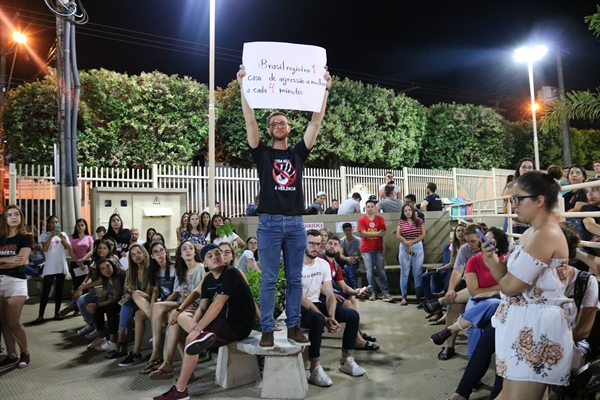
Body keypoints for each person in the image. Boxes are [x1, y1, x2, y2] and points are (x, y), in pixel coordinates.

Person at [236, 63, 331, 350]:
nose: (279, 126)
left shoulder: (297, 154)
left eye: (283, 123)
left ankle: (292, 327)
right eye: (274, 123)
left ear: (289, 128)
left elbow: (315, 122)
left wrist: (324, 89)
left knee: (293, 280)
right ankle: (267, 328)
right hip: (268, 224)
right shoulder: (262, 153)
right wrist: (243, 85)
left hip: (294, 223)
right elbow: (250, 120)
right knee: (267, 280)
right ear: (269, 130)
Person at [483, 170, 573, 399]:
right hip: (523, 325)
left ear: (539, 200)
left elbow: (510, 285)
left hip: (536, 328)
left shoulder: (547, 233)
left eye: (517, 199)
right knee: (507, 394)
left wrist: (501, 273)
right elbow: (506, 279)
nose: (513, 204)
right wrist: (490, 257)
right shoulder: (531, 232)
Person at [152, 243, 255, 400]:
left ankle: (180, 390)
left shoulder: (231, 273)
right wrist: (194, 325)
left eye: (218, 253)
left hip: (237, 324)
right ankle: (202, 339)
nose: (215, 257)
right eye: (210, 255)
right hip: (222, 320)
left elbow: (218, 303)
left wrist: (198, 330)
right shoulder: (208, 280)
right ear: (205, 264)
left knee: (191, 338)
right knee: (187, 328)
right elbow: (202, 307)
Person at [299, 230, 366, 387]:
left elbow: (330, 294)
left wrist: (332, 316)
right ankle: (315, 368)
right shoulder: (296, 265)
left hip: (317, 304)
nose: (315, 247)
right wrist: (325, 318)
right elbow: (302, 299)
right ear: (304, 244)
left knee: (352, 315)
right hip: (299, 309)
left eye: (318, 244)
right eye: (311, 243)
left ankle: (346, 360)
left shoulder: (323, 264)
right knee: (317, 318)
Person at [148, 240, 205, 380]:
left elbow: (202, 295)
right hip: (187, 306)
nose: (188, 251)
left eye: (191, 248)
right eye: (184, 249)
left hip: (199, 307)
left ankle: (169, 362)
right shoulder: (182, 271)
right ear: (179, 254)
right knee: (173, 320)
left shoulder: (201, 268)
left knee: (175, 319)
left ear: (194, 251)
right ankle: (170, 362)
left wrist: (179, 310)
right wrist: (179, 310)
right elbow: (183, 295)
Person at [0, 205, 33, 371]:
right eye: (10, 214)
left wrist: (4, 261)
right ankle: (11, 355)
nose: (14, 217)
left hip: (16, 282)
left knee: (13, 322)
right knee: (4, 321)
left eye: (17, 214)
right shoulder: (1, 238)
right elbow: (16, 259)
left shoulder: (25, 238)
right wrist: (10, 260)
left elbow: (21, 261)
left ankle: (25, 352)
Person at [106, 243, 152, 359]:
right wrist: (129, 294)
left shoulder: (151, 269)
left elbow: (149, 293)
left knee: (129, 302)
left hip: (148, 300)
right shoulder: (130, 271)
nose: (137, 256)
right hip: (134, 301)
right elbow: (127, 287)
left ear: (144, 254)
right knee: (126, 303)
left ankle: (121, 340)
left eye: (139, 253)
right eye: (133, 255)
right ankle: (122, 337)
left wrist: (134, 294)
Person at [32, 215, 71, 324]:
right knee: (46, 291)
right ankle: (40, 315)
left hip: (60, 265)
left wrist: (63, 239)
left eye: (57, 222)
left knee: (59, 291)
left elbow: (69, 248)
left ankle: (57, 313)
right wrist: (51, 237)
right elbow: (44, 249)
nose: (55, 224)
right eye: (52, 222)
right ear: (48, 224)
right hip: (49, 266)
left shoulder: (63, 234)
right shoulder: (44, 235)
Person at [86, 257, 126, 352]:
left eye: (108, 266)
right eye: (102, 269)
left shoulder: (118, 277)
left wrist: (98, 304)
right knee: (99, 308)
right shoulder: (106, 279)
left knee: (110, 308)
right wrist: (95, 304)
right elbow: (104, 296)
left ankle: (113, 341)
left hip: (126, 301)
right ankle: (101, 336)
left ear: (112, 266)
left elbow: (116, 298)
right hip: (117, 301)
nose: (106, 270)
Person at [57, 219, 94, 317]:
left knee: (85, 286)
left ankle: (80, 306)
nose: (80, 227)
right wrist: (78, 261)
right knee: (77, 286)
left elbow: (91, 251)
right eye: (78, 225)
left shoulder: (89, 237)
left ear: (85, 226)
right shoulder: (72, 238)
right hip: (75, 263)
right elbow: (71, 251)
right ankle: (76, 308)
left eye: (82, 225)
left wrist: (83, 259)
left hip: (86, 263)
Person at [358, 199, 391, 302]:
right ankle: (373, 292)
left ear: (375, 208)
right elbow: (363, 233)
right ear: (365, 208)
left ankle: (385, 292)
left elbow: (382, 233)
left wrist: (372, 233)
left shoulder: (380, 219)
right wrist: (376, 234)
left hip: (378, 249)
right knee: (369, 272)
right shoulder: (362, 219)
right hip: (366, 250)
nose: (370, 208)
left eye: (372, 206)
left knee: (381, 271)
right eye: (368, 207)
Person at [396, 203, 426, 306]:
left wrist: (411, 243)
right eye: (405, 211)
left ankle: (418, 297)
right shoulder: (401, 222)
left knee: (417, 273)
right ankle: (403, 297)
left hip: (417, 246)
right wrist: (406, 243)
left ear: (412, 211)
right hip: (404, 247)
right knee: (404, 273)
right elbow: (398, 235)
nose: (407, 212)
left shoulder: (419, 221)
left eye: (409, 210)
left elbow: (423, 235)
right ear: (403, 213)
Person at [502, 158, 534, 234]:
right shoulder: (511, 186)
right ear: (518, 169)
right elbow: (505, 208)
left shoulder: (538, 186)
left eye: (530, 167)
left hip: (533, 225)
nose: (526, 170)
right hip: (516, 224)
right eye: (524, 167)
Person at [340, 223, 361, 289]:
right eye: (346, 230)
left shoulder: (358, 240)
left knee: (346, 268)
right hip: (346, 260)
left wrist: (356, 258)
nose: (348, 232)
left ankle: (350, 287)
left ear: (352, 230)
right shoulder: (342, 241)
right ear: (343, 231)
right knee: (347, 266)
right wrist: (346, 259)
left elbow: (359, 254)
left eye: (349, 230)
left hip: (355, 260)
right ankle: (354, 285)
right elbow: (341, 254)